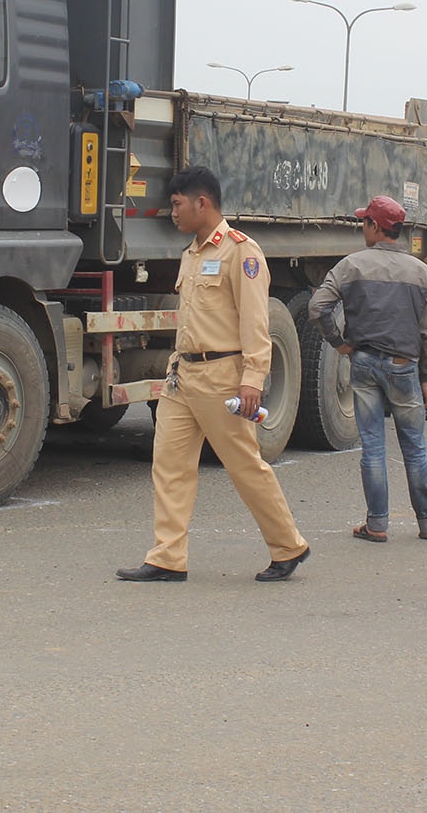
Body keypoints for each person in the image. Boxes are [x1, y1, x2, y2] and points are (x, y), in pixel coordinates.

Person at [117, 167, 310, 584]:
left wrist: (252, 380)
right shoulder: (192, 253)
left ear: (201, 203)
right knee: (168, 464)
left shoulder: (242, 252)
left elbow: (255, 323)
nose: (173, 213)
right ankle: (167, 557)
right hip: (183, 374)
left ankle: (287, 545)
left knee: (243, 465)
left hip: (223, 376)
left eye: (177, 204)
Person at [308, 194, 427, 543]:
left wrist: (338, 342)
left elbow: (317, 308)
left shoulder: (351, 265)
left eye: (364, 222)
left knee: (373, 447)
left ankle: (376, 524)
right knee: (414, 446)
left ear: (375, 226)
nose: (362, 227)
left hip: (364, 363)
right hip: (404, 367)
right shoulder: (422, 272)